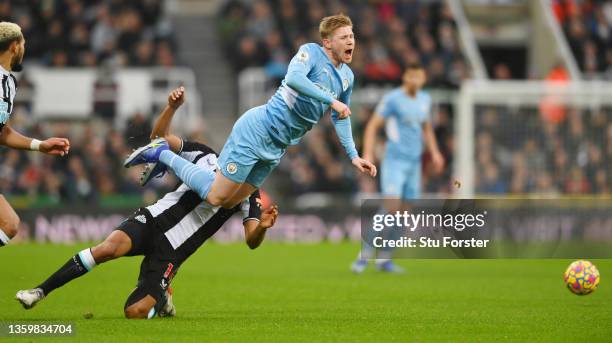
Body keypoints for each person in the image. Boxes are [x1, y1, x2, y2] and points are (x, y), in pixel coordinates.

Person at [16, 87, 279, 319]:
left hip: (174, 249)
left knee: (135, 313)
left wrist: (263, 228)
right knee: (108, 249)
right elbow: (159, 141)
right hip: (154, 219)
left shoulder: (249, 192)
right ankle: (40, 290)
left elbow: (251, 240)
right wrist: (171, 108)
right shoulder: (204, 154)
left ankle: (162, 295)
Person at [124, 14, 376, 210]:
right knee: (215, 196)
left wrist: (353, 155)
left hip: (277, 147)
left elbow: (341, 116)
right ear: (328, 42)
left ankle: (169, 158)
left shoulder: (347, 77)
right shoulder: (310, 52)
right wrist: (332, 102)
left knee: (230, 202)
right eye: (344, 37)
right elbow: (295, 79)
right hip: (259, 129)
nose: (351, 41)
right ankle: (162, 154)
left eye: (352, 36)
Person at [351, 64, 445, 273]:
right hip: (395, 161)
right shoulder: (393, 99)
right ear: (405, 77)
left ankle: (385, 259)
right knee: (391, 206)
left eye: (419, 77)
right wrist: (367, 154)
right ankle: (364, 255)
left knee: (404, 212)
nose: (415, 81)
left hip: (414, 163)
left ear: (423, 79)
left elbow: (427, 129)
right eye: (412, 76)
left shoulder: (425, 100)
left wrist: (436, 152)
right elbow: (373, 125)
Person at [0, 21, 70, 248]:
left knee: (9, 224)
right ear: (14, 46)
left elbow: (3, 132)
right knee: (9, 223)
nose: (24, 48)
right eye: (23, 43)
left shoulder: (9, 82)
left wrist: (40, 145)